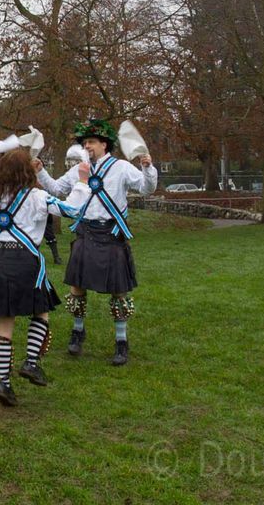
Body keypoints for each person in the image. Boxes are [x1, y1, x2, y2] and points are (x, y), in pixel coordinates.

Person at [37, 118, 157, 365]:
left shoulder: (122, 167)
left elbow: (147, 189)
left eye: (91, 142)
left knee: (118, 291)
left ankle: (121, 341)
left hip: (112, 235)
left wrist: (147, 168)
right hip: (86, 233)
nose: (87, 146)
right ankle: (78, 331)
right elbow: (57, 189)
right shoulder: (79, 169)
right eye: (84, 143)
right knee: (77, 287)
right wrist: (40, 170)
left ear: (104, 144)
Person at [0, 148, 85, 406]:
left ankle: (4, 381)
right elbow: (72, 210)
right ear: (28, 171)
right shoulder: (37, 196)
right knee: (41, 311)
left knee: (5, 323)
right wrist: (81, 183)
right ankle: (31, 363)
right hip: (25, 262)